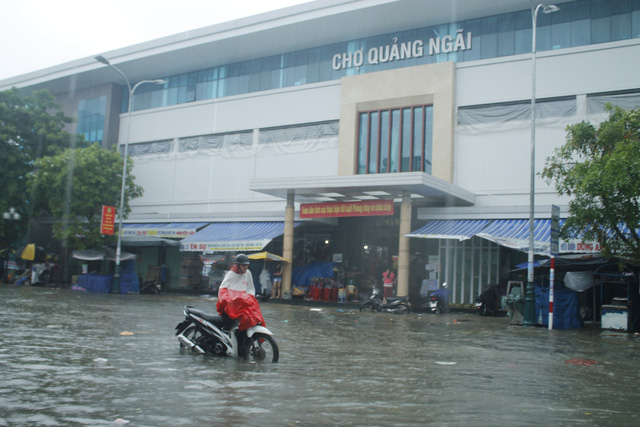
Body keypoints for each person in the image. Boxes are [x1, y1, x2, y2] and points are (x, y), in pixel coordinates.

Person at [216, 254, 266, 331]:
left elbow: (250, 289)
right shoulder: (231, 274)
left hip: (243, 305)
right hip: (232, 305)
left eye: (247, 265)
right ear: (238, 265)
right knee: (229, 324)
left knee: (255, 317)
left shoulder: (248, 273)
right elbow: (222, 289)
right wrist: (229, 300)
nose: (245, 268)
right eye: (243, 266)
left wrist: (250, 299)